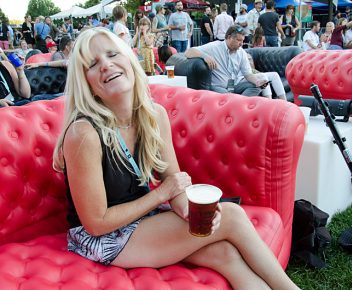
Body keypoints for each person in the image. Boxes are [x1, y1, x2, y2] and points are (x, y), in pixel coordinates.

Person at [52, 27, 300, 290]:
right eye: (93, 64)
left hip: (142, 219)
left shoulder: (153, 115)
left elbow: (174, 180)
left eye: (113, 54)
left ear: (128, 59)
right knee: (234, 216)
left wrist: (191, 212)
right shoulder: (84, 133)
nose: (106, 65)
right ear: (85, 81)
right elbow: (96, 223)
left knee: (225, 253)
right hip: (102, 238)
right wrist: (161, 196)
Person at [185, 25, 268, 96]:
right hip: (219, 87)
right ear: (229, 37)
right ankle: (239, 104)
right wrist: (204, 56)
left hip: (235, 85)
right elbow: (188, 52)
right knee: (229, 97)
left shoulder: (241, 52)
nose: (241, 44)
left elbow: (248, 74)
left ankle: (238, 104)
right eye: (239, 40)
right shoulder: (214, 47)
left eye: (242, 40)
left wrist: (257, 82)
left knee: (257, 87)